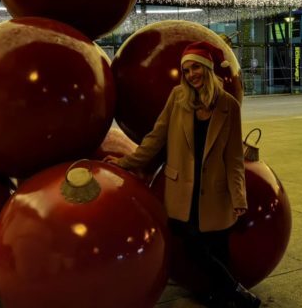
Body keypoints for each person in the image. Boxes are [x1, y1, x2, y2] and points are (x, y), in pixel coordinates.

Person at [106, 41, 260, 308]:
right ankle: (236, 291)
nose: (191, 75)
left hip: (216, 190)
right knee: (193, 247)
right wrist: (128, 162)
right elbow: (156, 137)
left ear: (207, 69)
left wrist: (239, 196)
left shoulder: (228, 106)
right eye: (186, 70)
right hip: (182, 191)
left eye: (195, 68)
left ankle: (219, 295)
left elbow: (234, 157)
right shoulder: (178, 98)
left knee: (217, 248)